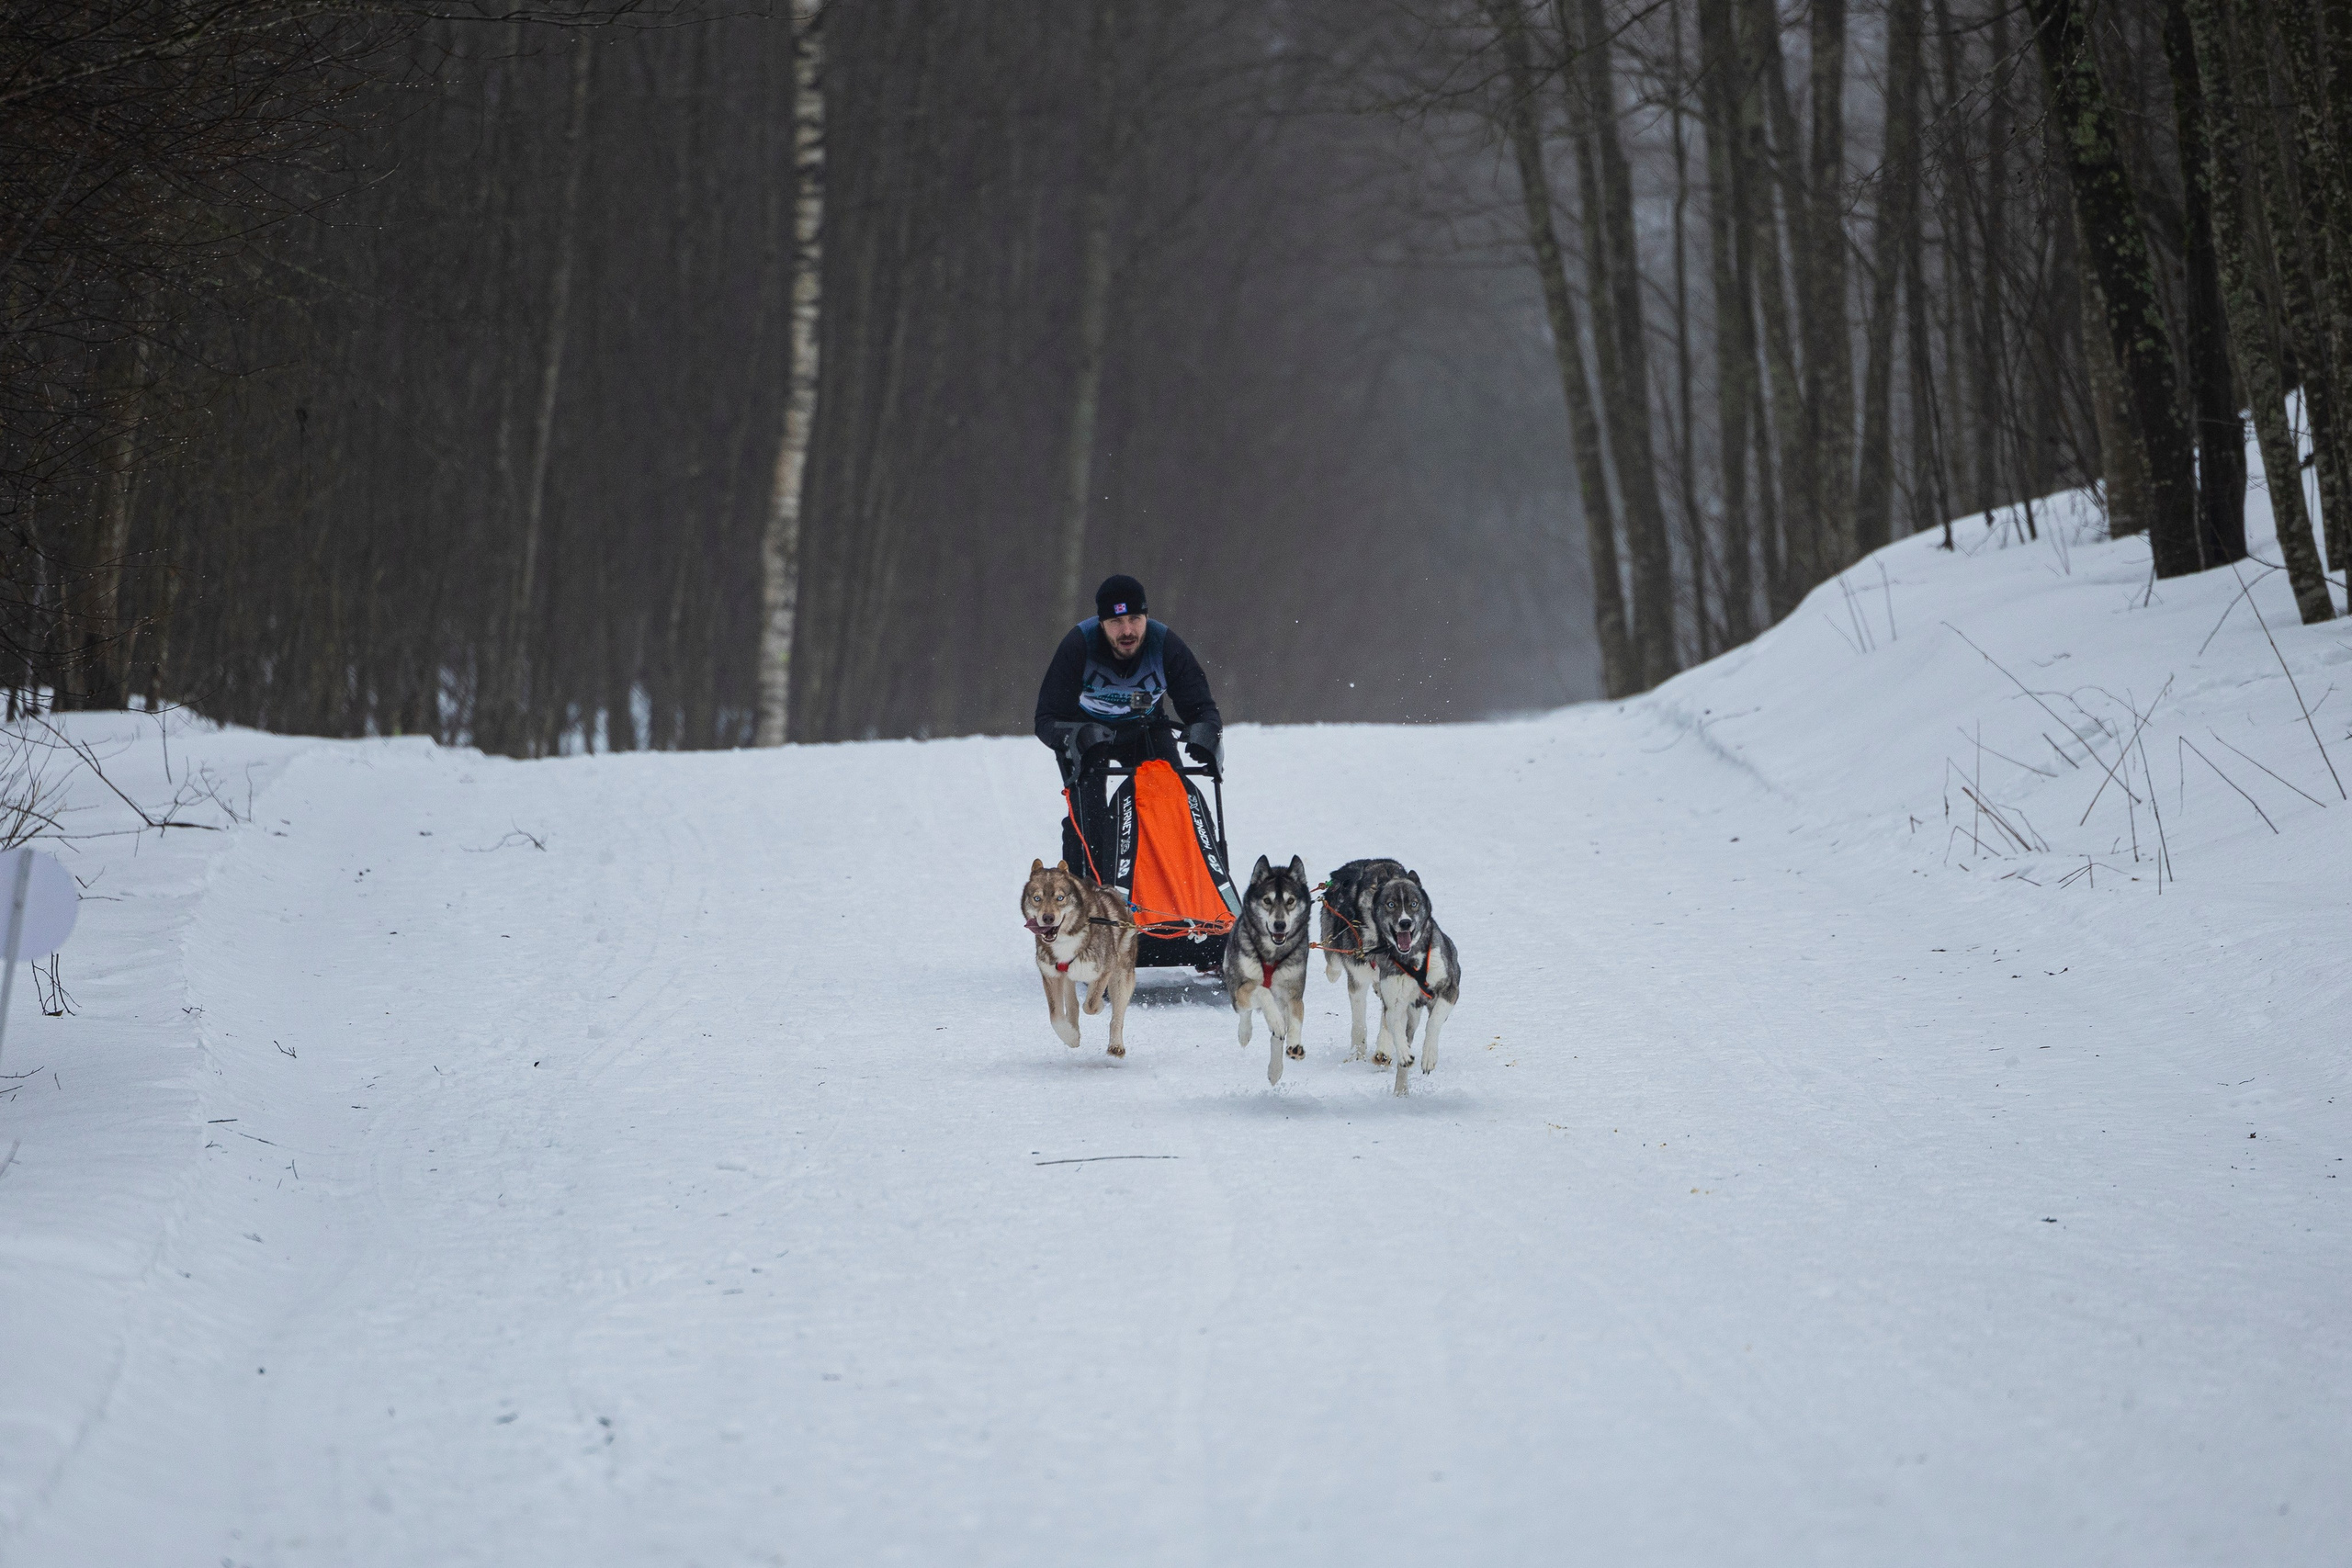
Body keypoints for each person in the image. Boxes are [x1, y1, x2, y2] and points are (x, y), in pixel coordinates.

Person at [1035, 573, 1222, 882]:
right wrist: (1072, 736)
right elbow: (1046, 719)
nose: (1127, 630)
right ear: (1101, 624)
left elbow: (1202, 707)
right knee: (1090, 816)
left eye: (1135, 619)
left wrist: (1206, 733)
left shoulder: (1166, 646)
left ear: (1146, 617)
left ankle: (1185, 892)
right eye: (1116, 622)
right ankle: (1089, 894)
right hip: (1088, 732)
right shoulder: (1079, 645)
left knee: (1173, 804)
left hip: (1144, 726)